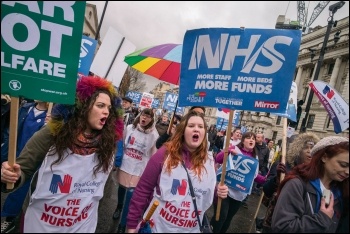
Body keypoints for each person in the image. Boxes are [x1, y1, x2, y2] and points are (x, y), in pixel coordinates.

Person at [0, 76, 124, 233]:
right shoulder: (52, 133)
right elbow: (23, 169)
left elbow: (103, 189)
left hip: (80, 225)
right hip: (42, 223)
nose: (106, 111)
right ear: (83, 106)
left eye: (109, 107)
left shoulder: (109, 143)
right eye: (100, 105)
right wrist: (10, 176)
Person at [125, 110, 228, 233]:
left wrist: (218, 192)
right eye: (191, 126)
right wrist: (131, 224)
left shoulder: (210, 161)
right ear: (182, 131)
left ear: (204, 132)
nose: (196, 129)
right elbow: (143, 190)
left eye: (200, 126)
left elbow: (207, 194)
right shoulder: (164, 154)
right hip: (158, 227)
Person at [271, 136, 349, 233]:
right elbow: (282, 227)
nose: (347, 172)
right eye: (343, 165)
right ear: (324, 157)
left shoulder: (342, 192)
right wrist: (322, 219)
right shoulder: (296, 185)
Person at [1, 100, 48, 233]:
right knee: (11, 184)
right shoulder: (25, 108)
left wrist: (52, 125)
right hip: (16, 155)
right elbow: (11, 131)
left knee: (24, 192)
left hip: (34, 162)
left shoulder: (53, 117)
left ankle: (12, 220)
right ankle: (9, 217)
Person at [259, 132, 320, 233]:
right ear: (298, 150)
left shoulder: (317, 173)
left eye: (313, 148)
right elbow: (267, 190)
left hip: (301, 224)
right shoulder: (283, 165)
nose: (310, 151)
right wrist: (277, 179)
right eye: (306, 148)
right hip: (276, 220)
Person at [211, 132, 266, 233]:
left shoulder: (255, 158)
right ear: (243, 140)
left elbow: (254, 176)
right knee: (221, 216)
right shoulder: (235, 149)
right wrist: (228, 151)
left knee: (228, 219)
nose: (251, 140)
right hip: (225, 190)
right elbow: (218, 159)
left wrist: (266, 179)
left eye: (253, 139)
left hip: (239, 194)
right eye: (248, 138)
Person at [114, 108, 159, 232]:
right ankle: (119, 206)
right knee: (122, 188)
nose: (145, 118)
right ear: (140, 116)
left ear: (151, 119)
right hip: (126, 164)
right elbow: (121, 144)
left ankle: (123, 224)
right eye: (144, 115)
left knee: (131, 194)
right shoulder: (129, 128)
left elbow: (153, 155)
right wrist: (117, 159)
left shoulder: (154, 135)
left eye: (148, 117)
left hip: (139, 168)